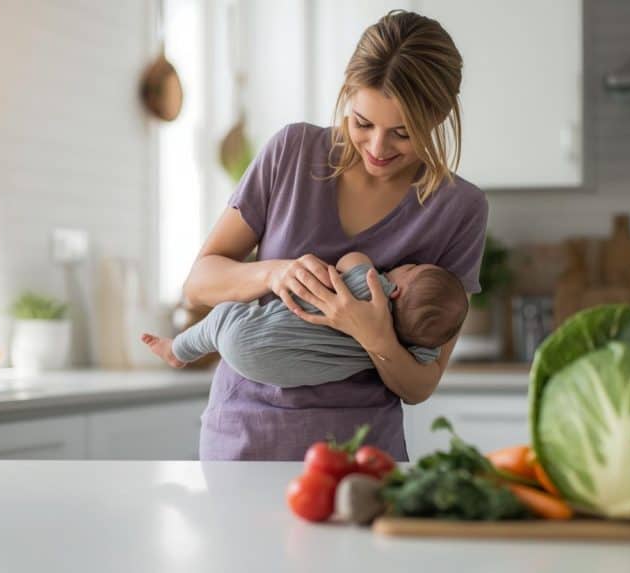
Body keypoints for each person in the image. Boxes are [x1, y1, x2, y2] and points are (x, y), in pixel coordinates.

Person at [182, 10, 488, 460]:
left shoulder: (459, 209)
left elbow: (421, 385)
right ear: (347, 95)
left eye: (403, 133)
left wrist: (374, 334)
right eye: (363, 123)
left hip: (363, 456)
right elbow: (198, 284)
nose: (378, 149)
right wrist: (273, 274)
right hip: (244, 440)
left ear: (439, 115)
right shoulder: (291, 152)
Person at [141, 250, 468, 387]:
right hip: (283, 374)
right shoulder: (418, 345)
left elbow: (351, 259)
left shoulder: (370, 289)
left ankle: (178, 350)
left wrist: (368, 268)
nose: (405, 264)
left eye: (409, 268)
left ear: (394, 291)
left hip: (247, 341)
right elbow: (425, 367)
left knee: (222, 319)